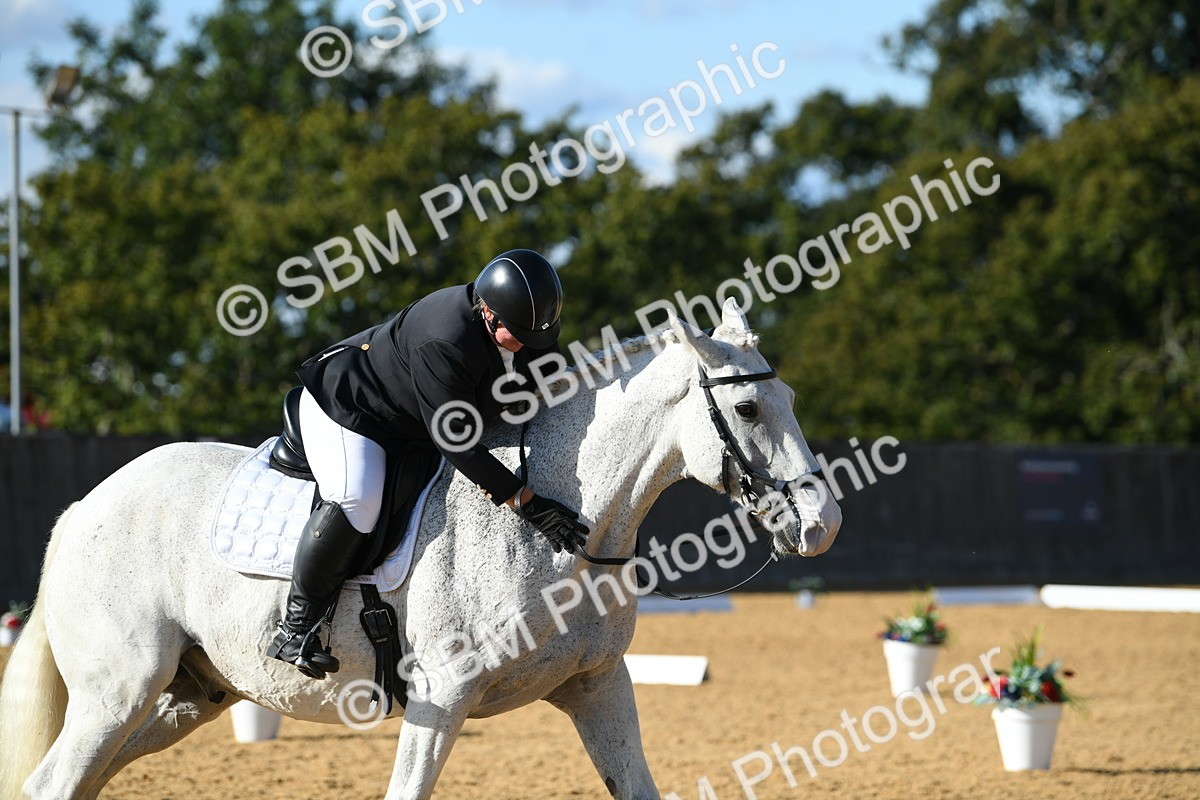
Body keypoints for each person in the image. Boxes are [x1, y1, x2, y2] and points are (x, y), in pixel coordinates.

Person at [266, 249, 591, 679]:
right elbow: (457, 443)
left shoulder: (523, 327)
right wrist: (526, 502)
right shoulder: (447, 339)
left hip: (409, 419)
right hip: (353, 407)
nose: (531, 346)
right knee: (357, 500)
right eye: (519, 335)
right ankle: (296, 627)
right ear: (488, 313)